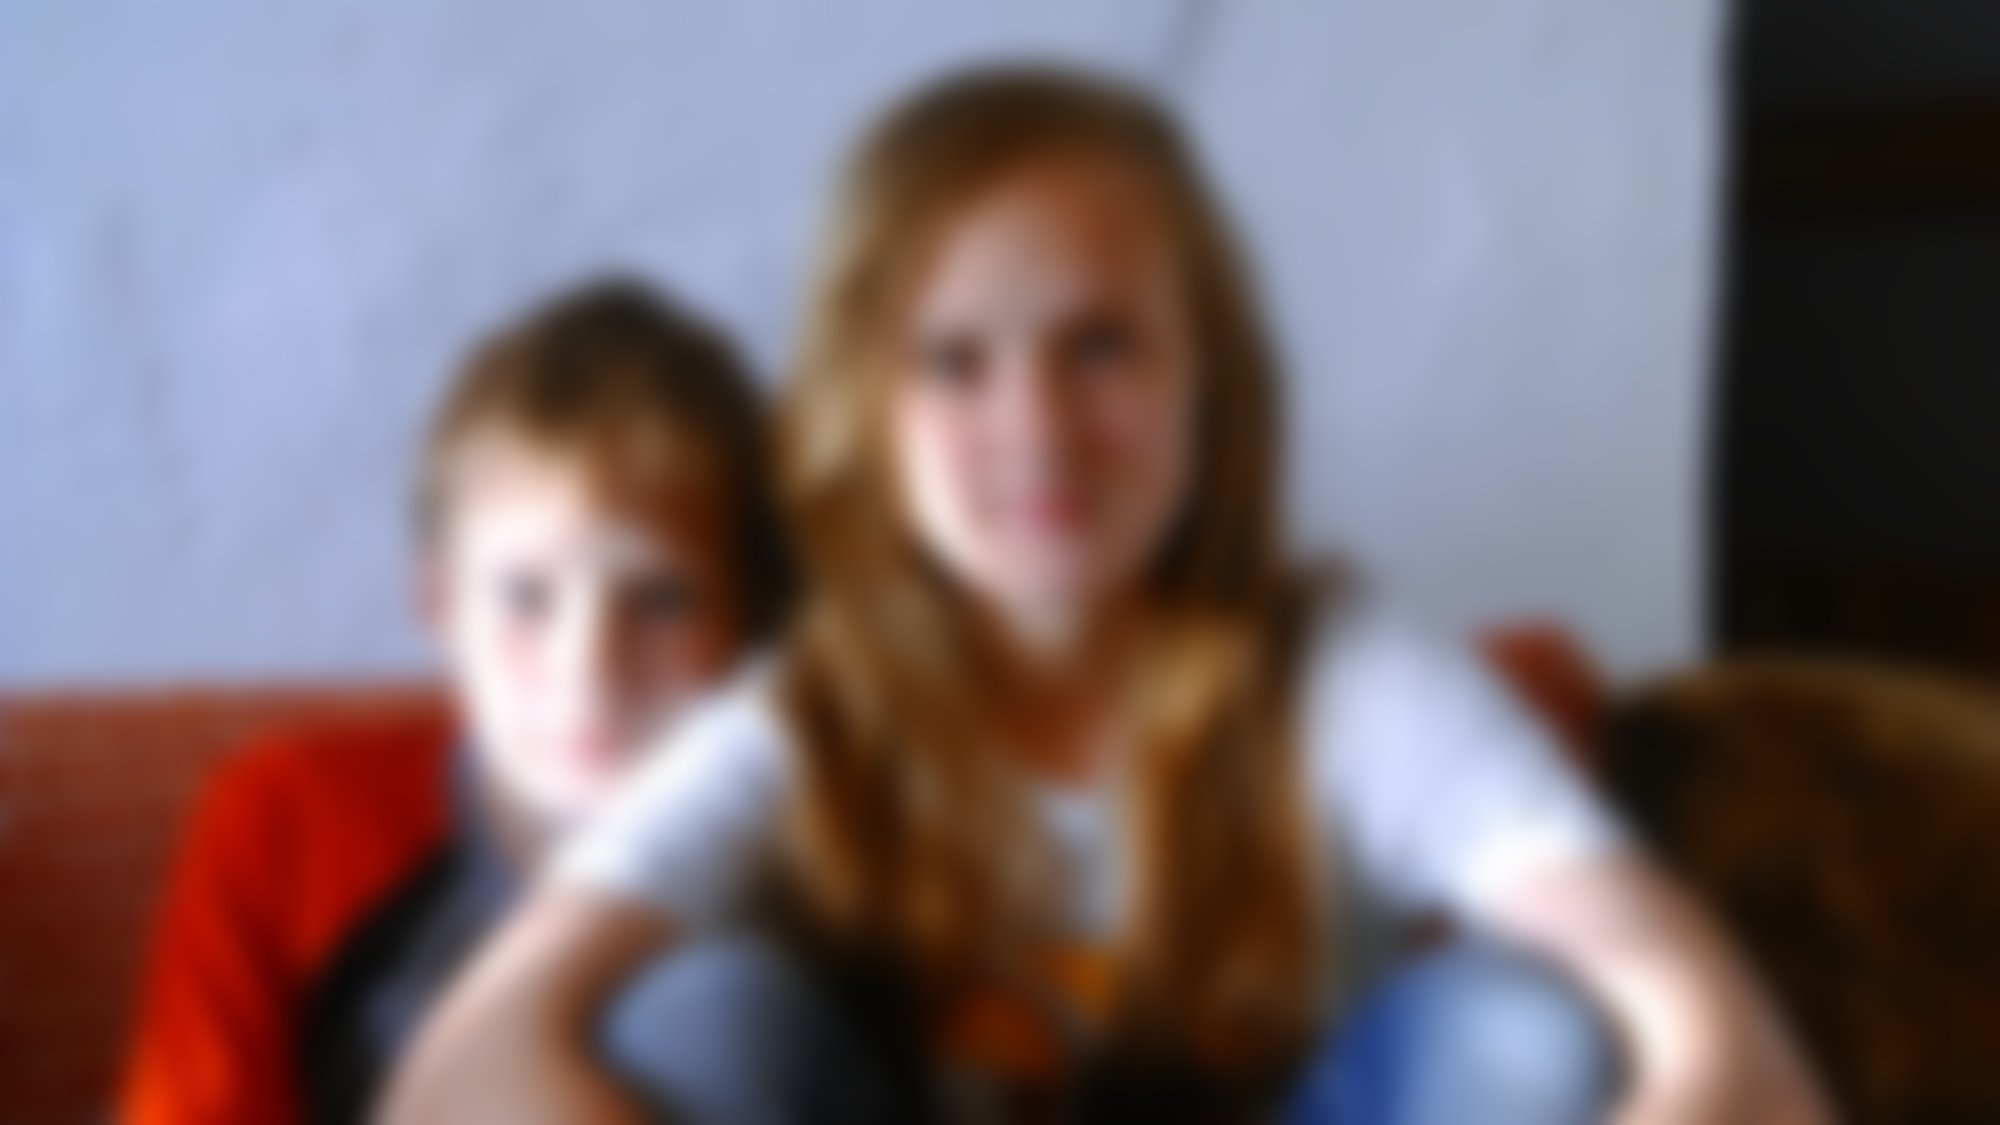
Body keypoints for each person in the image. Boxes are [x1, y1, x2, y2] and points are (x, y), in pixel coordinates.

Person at [383, 68, 1829, 1124]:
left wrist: (1699, 1081)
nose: (1037, 429)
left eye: (1101, 346)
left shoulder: (1337, 679)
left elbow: (1713, 1024)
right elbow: (458, 1069)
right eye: (953, 361)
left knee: (1525, 1028)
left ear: (1211, 377)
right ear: (865, 417)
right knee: (702, 1016)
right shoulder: (811, 711)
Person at [115, 279, 790, 1125]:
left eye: (660, 599)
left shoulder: (828, 856)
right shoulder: (285, 823)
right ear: (438, 602)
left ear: (749, 623)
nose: (588, 666)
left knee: (735, 1012)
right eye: (525, 596)